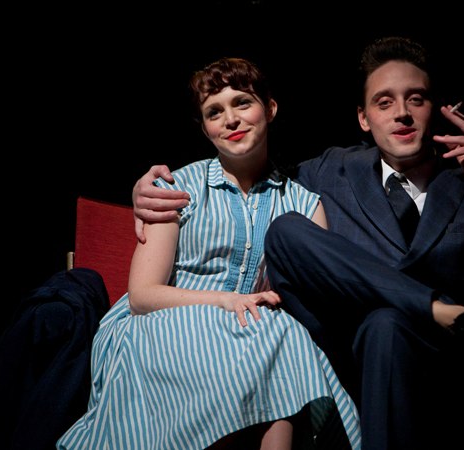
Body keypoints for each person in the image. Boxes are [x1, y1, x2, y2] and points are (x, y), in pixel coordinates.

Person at [131, 37, 464, 449]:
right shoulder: (331, 171)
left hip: (445, 372)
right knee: (289, 231)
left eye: (416, 99)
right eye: (384, 102)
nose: (401, 113)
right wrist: (145, 189)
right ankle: (433, 305)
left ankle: (433, 315)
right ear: (363, 117)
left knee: (387, 324)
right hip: (352, 360)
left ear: (435, 109)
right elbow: (248, 166)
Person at [57, 57, 361, 450]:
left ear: (270, 108)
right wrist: (224, 300)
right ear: (204, 128)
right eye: (214, 112)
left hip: (257, 336)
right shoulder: (175, 189)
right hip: (163, 327)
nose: (230, 120)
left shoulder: (304, 204)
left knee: (281, 334)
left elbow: (315, 301)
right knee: (274, 335)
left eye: (242, 103)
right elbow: (143, 296)